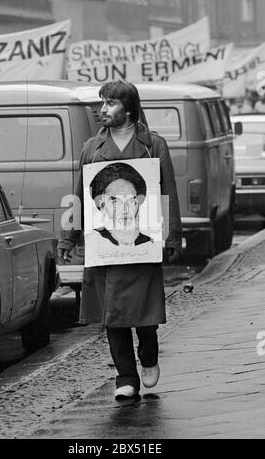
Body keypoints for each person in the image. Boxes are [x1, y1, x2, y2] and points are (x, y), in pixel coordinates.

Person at [58, 80, 182, 400]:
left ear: (128, 109)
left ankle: (149, 357)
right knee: (113, 316)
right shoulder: (91, 148)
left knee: (144, 315)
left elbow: (167, 192)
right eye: (102, 103)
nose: (103, 110)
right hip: (106, 249)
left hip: (142, 244)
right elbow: (79, 196)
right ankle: (126, 377)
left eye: (110, 103)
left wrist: (172, 236)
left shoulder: (154, 145)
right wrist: (68, 237)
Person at [90, 161, 153, 247]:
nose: (125, 210)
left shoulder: (148, 243)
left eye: (131, 201)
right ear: (102, 206)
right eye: (115, 202)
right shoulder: (95, 240)